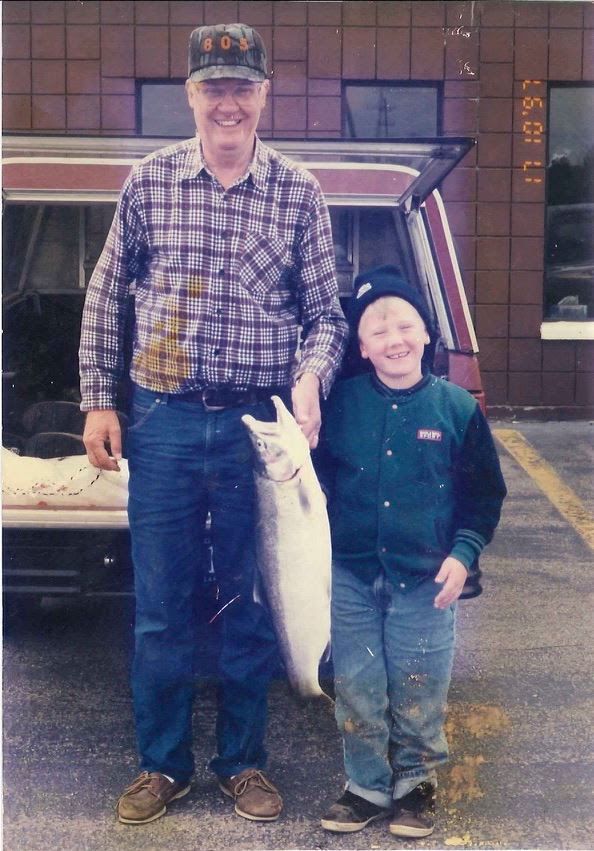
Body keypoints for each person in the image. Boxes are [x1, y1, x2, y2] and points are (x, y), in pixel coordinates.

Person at [79, 22, 348, 826]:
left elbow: (325, 317)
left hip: (257, 435)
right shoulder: (148, 181)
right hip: (160, 419)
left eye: (242, 86)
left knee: (251, 597)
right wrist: (99, 396)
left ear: (264, 95)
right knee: (161, 601)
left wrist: (309, 380)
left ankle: (243, 762)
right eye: (212, 86)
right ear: (190, 94)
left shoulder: (299, 190)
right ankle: (163, 765)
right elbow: (106, 294)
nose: (227, 101)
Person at [316, 265, 506, 838]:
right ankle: (366, 785)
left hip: (427, 580)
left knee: (419, 680)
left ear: (426, 335)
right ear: (362, 347)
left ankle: (416, 785)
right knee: (357, 683)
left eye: (405, 325)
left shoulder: (457, 409)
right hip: (349, 575)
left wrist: (464, 553)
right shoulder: (338, 405)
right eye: (377, 331)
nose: (394, 339)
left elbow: (484, 496)